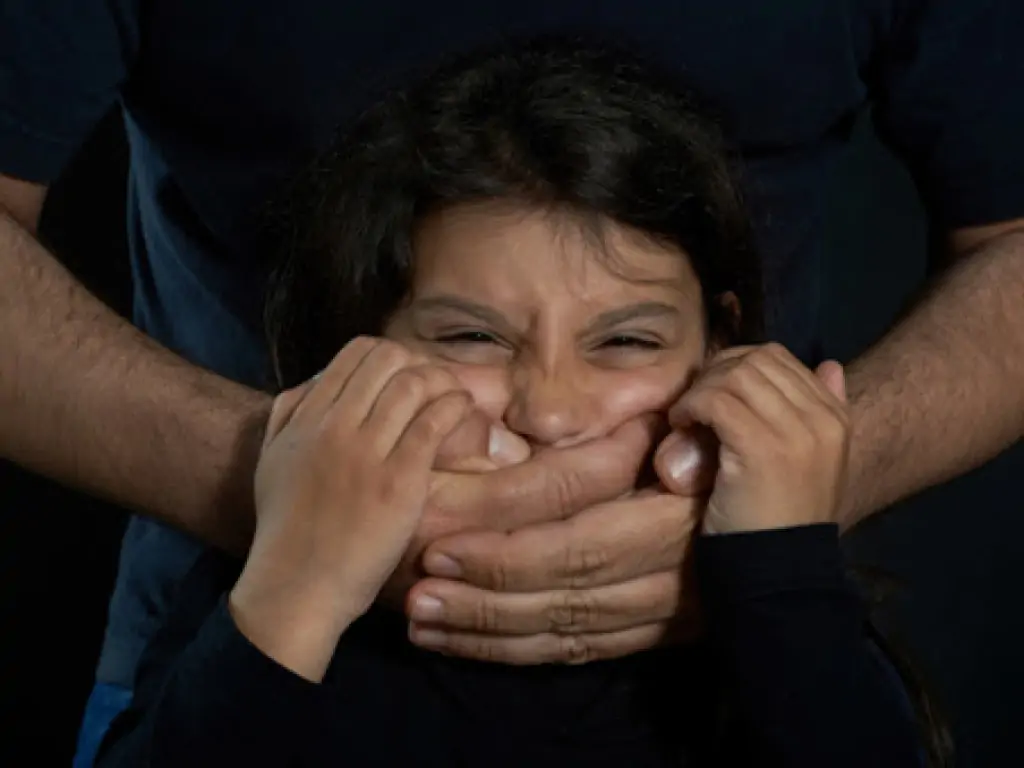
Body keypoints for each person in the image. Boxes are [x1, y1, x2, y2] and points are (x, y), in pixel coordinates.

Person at [0, 1, 1019, 764]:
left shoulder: (789, 635)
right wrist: (298, 549)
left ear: (726, 348)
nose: (553, 412)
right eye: (472, 337)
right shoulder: (263, 623)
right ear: (352, 351)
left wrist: (782, 544)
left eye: (625, 341)